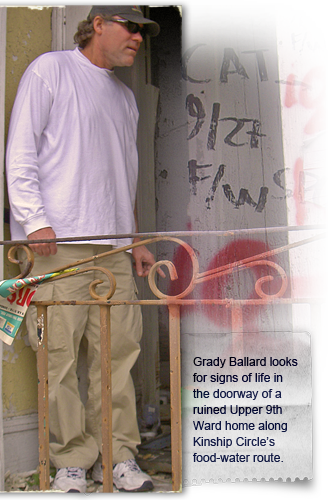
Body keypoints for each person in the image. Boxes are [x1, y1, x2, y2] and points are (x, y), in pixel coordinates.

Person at [6, 5, 161, 493]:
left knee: (117, 357)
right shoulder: (50, 70)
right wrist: (34, 222)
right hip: (58, 246)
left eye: (142, 31)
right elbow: (21, 150)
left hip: (112, 250)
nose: (137, 38)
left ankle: (116, 457)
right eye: (130, 27)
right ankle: (71, 461)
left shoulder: (124, 98)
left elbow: (124, 176)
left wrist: (132, 239)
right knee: (59, 358)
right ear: (98, 24)